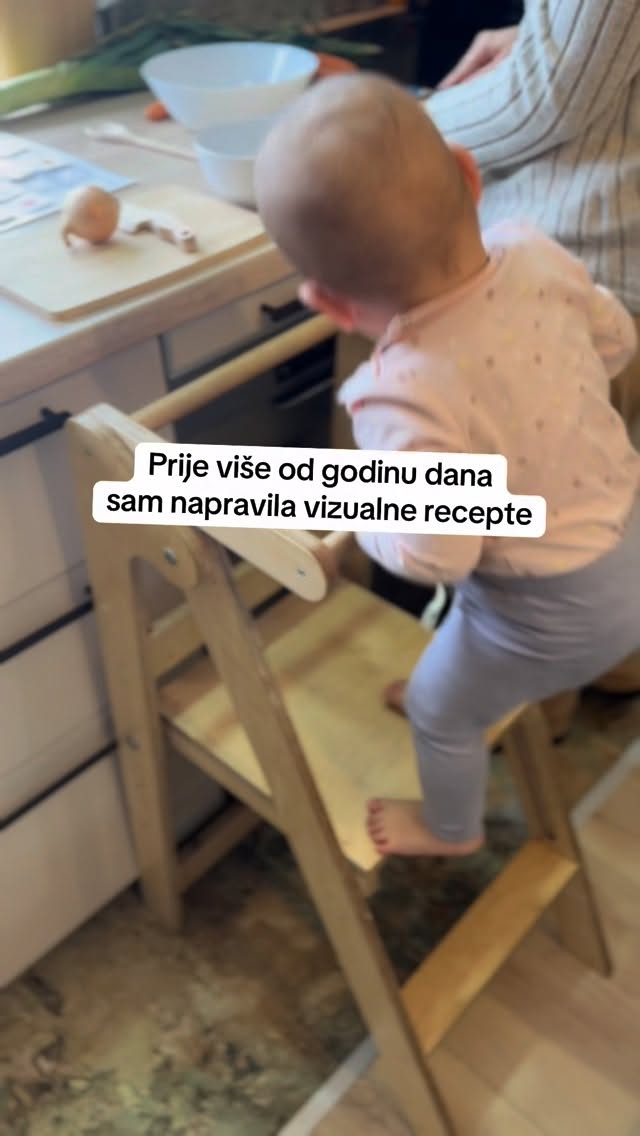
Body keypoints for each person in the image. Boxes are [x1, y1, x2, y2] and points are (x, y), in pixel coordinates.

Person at [254, 73, 640, 857]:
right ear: (470, 174)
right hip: (625, 539)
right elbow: (617, 342)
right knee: (466, 644)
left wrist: (362, 519)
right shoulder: (533, 251)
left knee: (441, 711)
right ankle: (466, 678)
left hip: (546, 610)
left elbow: (436, 556)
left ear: (328, 303)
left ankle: (449, 828)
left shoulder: (400, 394)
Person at [417, 0, 640, 712]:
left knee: (530, 583)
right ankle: (608, 670)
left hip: (591, 252)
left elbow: (548, 98)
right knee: (601, 521)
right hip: (602, 285)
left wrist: (390, 131)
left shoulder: (413, 377)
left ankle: (523, 726)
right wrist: (547, 34)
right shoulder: (561, 291)